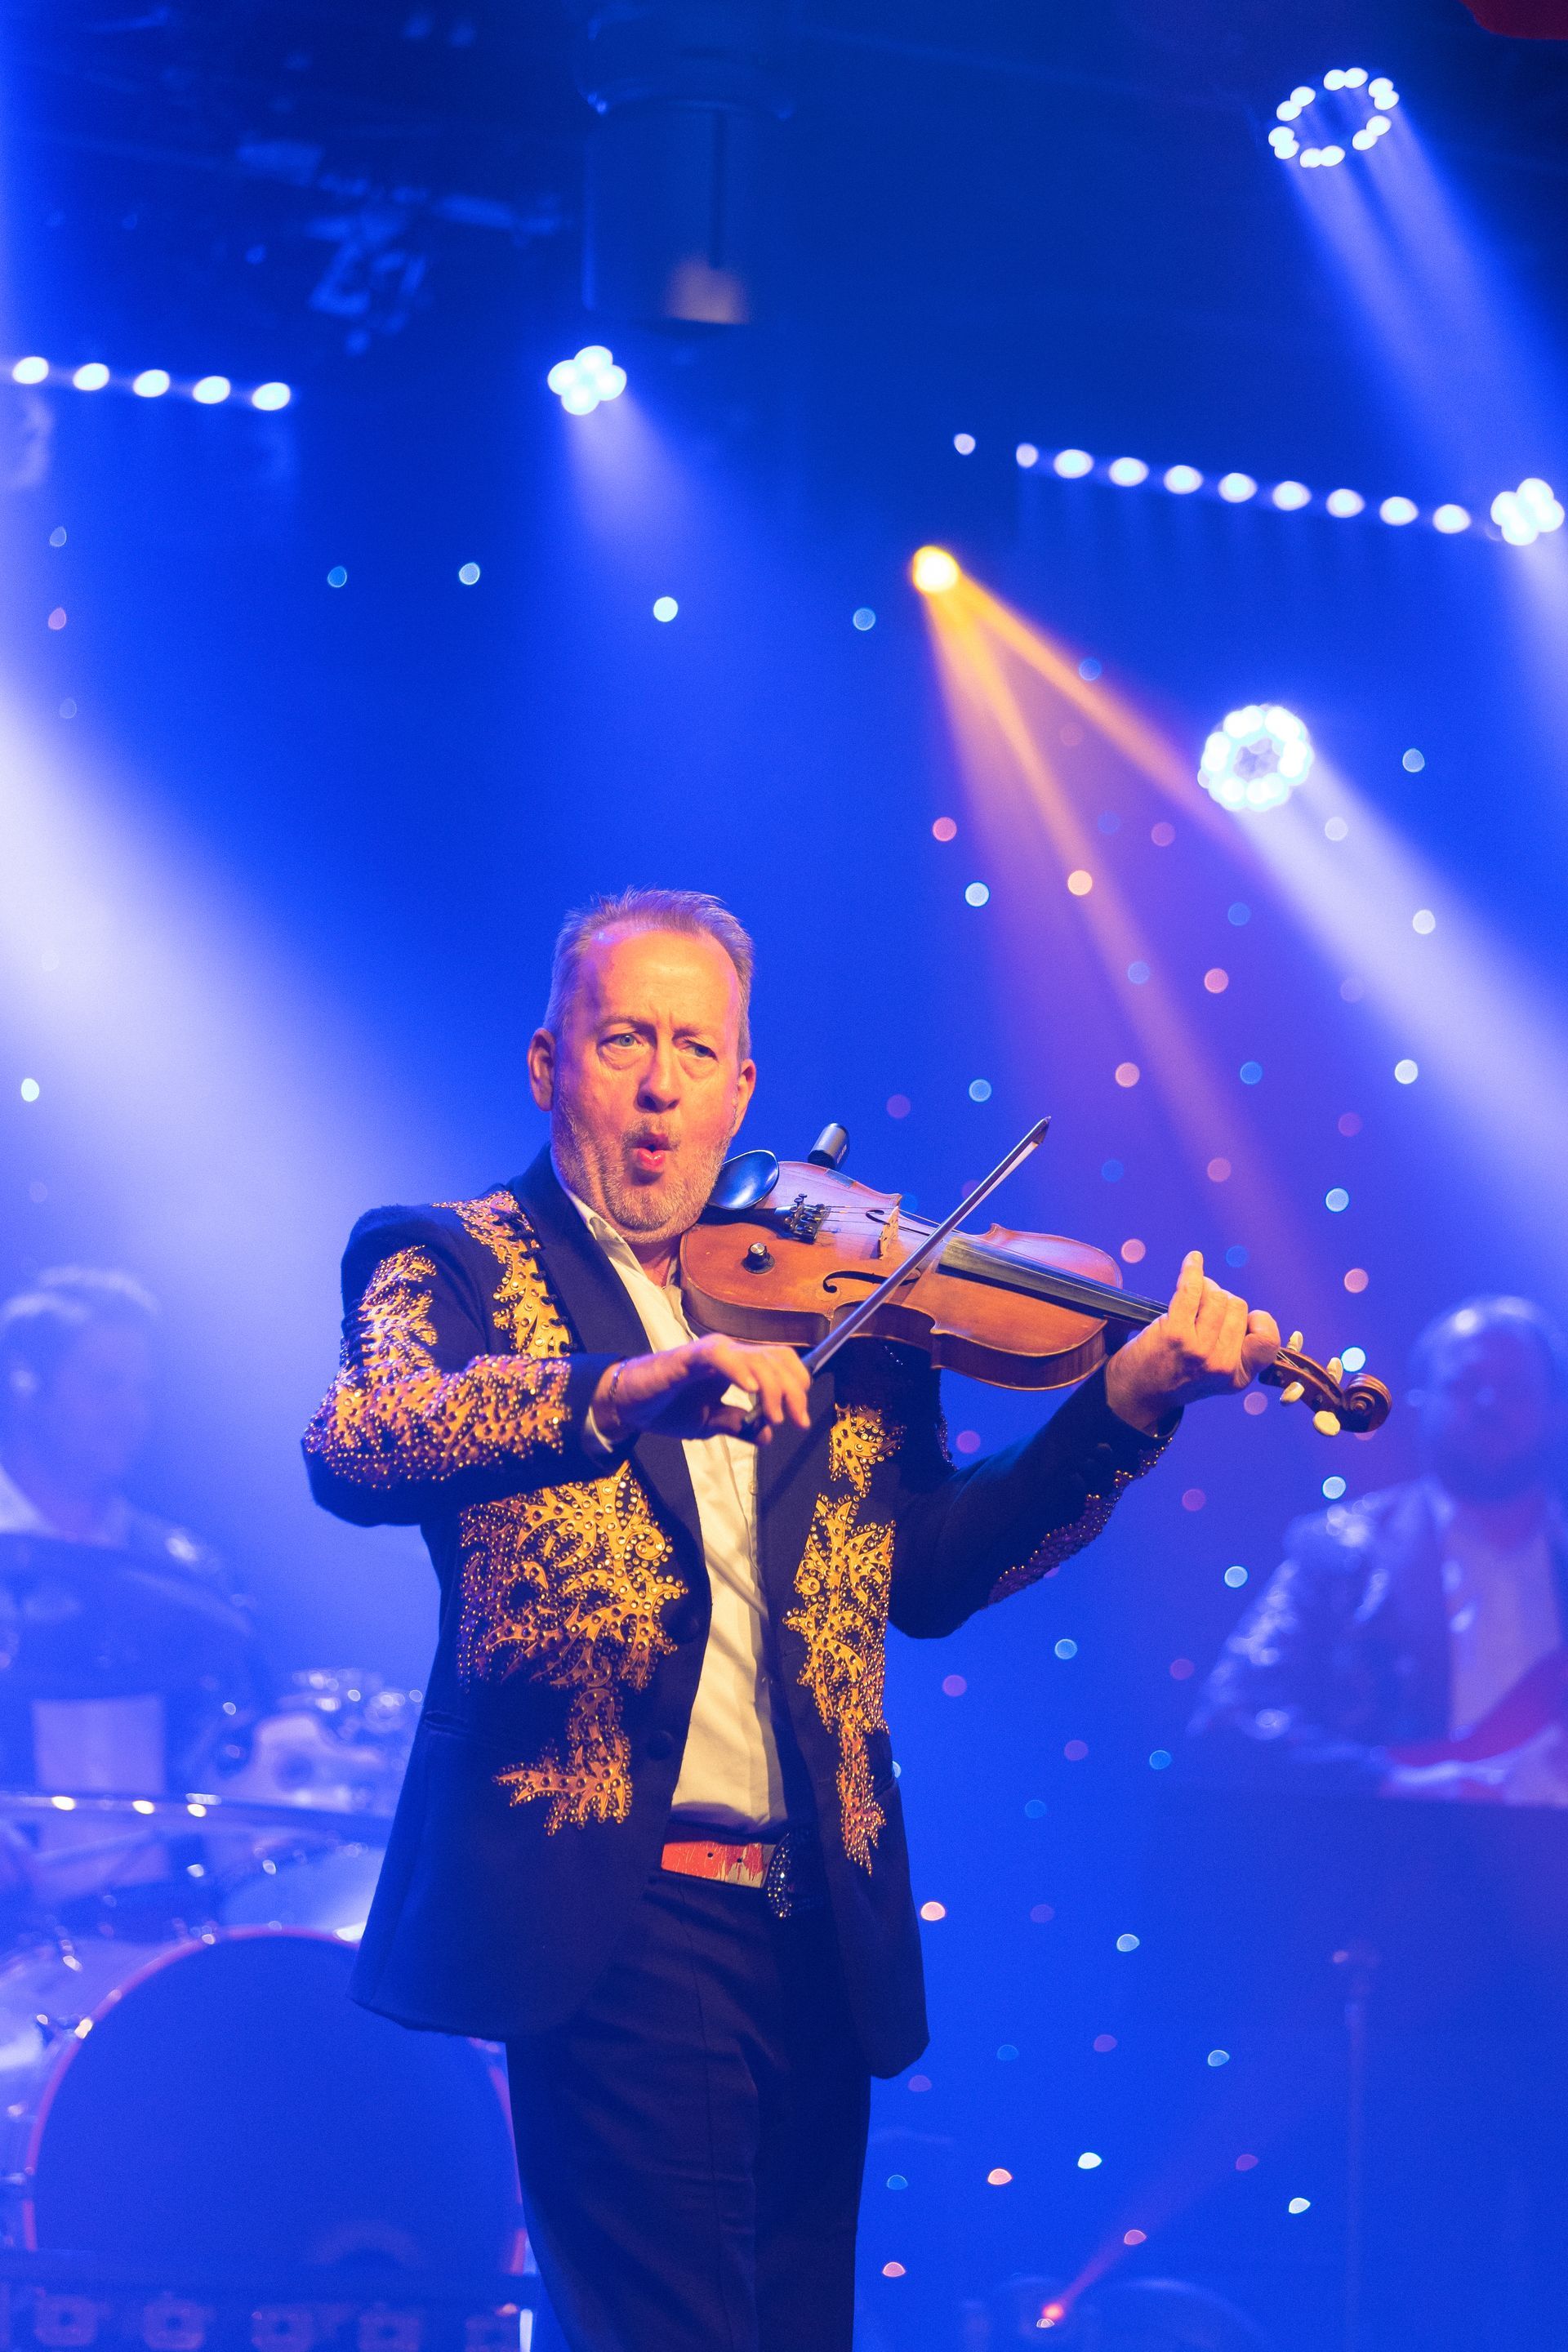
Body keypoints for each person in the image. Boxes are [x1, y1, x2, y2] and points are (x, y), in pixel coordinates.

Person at [302, 886, 1281, 2352]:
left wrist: (1118, 1415)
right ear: (546, 1061)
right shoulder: (452, 1256)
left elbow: (934, 1574)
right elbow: (363, 1439)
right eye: (621, 1038)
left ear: (742, 1083)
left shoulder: (846, 1282)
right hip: (612, 1910)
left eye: (694, 1051)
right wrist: (616, 1391)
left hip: (820, 1917)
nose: (656, 1085)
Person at [1187, 1294, 1568, 1800]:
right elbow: (1233, 1713)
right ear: (1419, 1404)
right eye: (1465, 1385)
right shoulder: (1341, 1547)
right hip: (1404, 1858)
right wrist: (1392, 1782)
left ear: (1556, 1408)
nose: (1489, 1404)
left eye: (1514, 1388)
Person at [0, 1267, 258, 1891]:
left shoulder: (180, 1566)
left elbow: (228, 1739)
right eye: (105, 1386)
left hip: (159, 1929)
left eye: (142, 1390)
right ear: (25, 1385)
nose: (132, 1413)